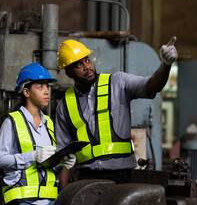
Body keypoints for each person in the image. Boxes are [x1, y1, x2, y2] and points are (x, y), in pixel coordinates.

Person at [55, 37, 178, 185]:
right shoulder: (65, 104)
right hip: (86, 178)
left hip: (121, 177)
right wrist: (62, 194)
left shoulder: (118, 83)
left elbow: (152, 86)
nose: (87, 66)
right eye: (79, 65)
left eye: (87, 60)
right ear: (69, 73)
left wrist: (166, 65)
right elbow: (63, 154)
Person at [0, 63, 76, 205]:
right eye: (40, 87)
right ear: (26, 91)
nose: (47, 91)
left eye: (47, 87)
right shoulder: (12, 122)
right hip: (21, 198)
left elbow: (48, 164)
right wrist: (32, 156)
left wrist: (62, 164)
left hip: (47, 198)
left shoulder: (49, 124)